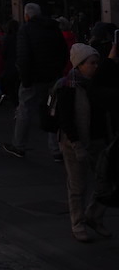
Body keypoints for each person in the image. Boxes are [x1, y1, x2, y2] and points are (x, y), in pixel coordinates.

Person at [55, 42, 119, 241]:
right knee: (77, 185)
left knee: (106, 183)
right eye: (92, 63)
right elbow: (65, 119)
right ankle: (78, 222)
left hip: (99, 140)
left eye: (97, 62)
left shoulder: (96, 85)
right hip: (75, 141)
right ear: (79, 65)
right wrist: (76, 144)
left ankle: (94, 215)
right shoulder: (68, 86)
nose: (95, 66)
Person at [3, 2, 68, 160]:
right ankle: (55, 149)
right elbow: (63, 51)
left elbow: (24, 56)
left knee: (25, 110)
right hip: (52, 77)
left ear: (26, 15)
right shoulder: (53, 27)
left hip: (33, 78)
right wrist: (57, 71)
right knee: (52, 110)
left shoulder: (26, 29)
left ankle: (19, 145)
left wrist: (25, 79)